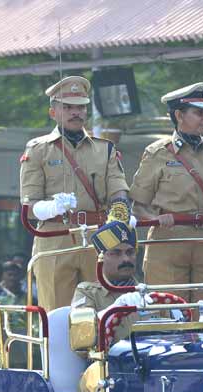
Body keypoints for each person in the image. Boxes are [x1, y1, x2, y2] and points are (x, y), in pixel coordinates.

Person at [20, 76, 130, 311]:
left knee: (103, 312)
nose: (75, 112)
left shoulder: (105, 149)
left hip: (98, 238)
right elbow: (29, 207)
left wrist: (120, 215)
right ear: (53, 112)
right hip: (54, 239)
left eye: (80, 107)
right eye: (67, 107)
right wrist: (52, 208)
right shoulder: (38, 150)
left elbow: (119, 192)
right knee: (58, 316)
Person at [129, 82, 203, 321]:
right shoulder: (157, 153)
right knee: (169, 315)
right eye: (199, 112)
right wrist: (154, 219)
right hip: (169, 243)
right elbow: (138, 205)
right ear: (179, 115)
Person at [70, 205, 150, 392]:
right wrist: (116, 307)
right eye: (116, 253)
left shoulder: (148, 293)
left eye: (130, 252)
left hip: (146, 368)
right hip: (103, 367)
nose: (125, 258)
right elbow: (81, 343)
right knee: (107, 381)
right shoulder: (86, 292)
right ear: (101, 257)